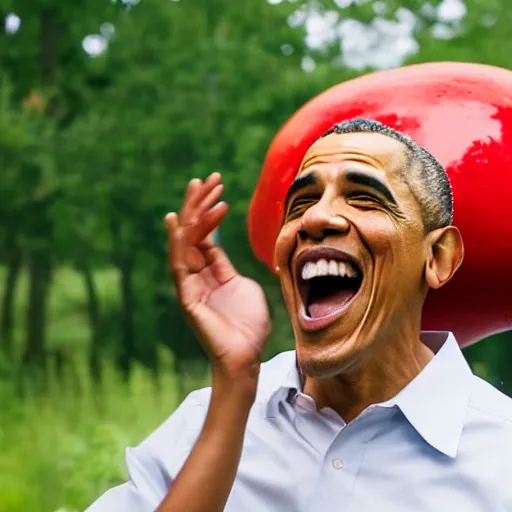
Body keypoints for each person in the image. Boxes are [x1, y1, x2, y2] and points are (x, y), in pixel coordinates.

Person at [86, 119, 512, 512]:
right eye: (301, 203)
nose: (315, 217)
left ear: (437, 257)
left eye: (364, 198)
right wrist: (235, 381)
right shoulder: (209, 419)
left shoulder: (501, 456)